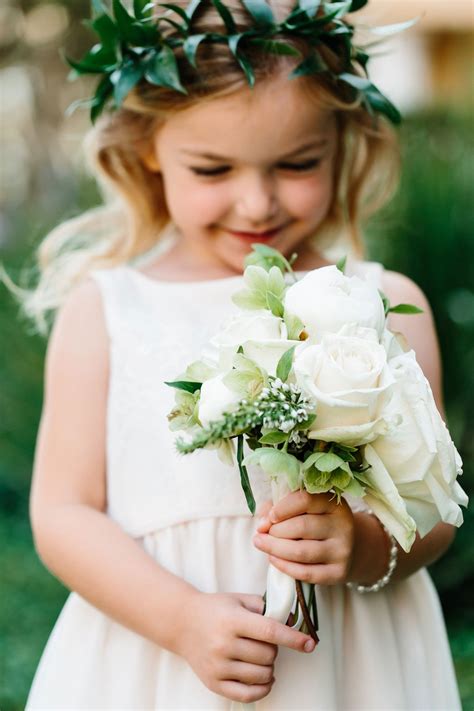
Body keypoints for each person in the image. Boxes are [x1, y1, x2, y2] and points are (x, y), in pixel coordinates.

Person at [22, 0, 461, 708]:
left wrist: (363, 546)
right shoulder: (104, 309)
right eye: (212, 169)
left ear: (342, 146)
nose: (256, 203)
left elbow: (434, 507)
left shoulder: (382, 302)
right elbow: (65, 514)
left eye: (296, 163)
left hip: (350, 665)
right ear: (148, 152)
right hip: (158, 658)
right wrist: (182, 620)